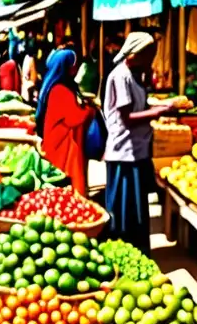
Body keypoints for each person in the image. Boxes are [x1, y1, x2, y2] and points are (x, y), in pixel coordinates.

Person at [102, 32, 171, 254]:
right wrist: (159, 111)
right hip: (124, 152)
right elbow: (127, 117)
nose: (153, 57)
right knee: (124, 209)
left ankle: (138, 251)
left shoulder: (133, 74)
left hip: (136, 150)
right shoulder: (121, 76)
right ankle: (123, 251)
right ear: (136, 53)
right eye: (149, 53)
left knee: (136, 208)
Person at [38, 48, 95, 195]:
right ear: (66, 66)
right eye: (73, 64)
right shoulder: (60, 90)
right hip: (63, 144)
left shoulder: (57, 86)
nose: (76, 68)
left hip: (58, 141)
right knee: (67, 183)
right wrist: (90, 110)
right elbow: (74, 118)